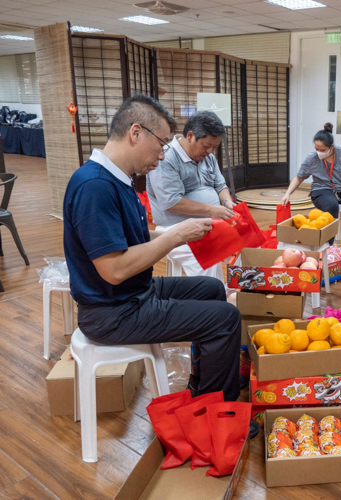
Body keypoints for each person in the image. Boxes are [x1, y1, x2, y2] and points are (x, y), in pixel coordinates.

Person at [63, 94, 245, 407]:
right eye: (161, 144)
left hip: (134, 294)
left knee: (213, 288)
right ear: (135, 133)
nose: (162, 156)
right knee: (225, 317)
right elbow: (115, 269)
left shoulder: (117, 180)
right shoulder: (94, 186)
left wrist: (181, 234)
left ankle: (205, 386)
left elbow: (127, 238)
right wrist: (175, 235)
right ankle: (215, 409)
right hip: (113, 312)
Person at [146, 111, 235, 281]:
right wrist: (211, 209)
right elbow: (172, 202)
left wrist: (226, 201)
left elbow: (220, 186)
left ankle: (241, 295)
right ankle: (214, 299)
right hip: (174, 227)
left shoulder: (207, 157)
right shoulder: (167, 158)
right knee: (208, 261)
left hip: (211, 223)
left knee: (244, 248)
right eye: (206, 146)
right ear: (190, 136)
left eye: (214, 147)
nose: (210, 151)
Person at [281, 123, 341, 233]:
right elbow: (299, 178)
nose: (319, 152)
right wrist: (287, 194)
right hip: (321, 190)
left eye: (322, 150)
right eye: (316, 149)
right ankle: (328, 245)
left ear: (331, 147)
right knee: (332, 206)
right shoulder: (311, 158)